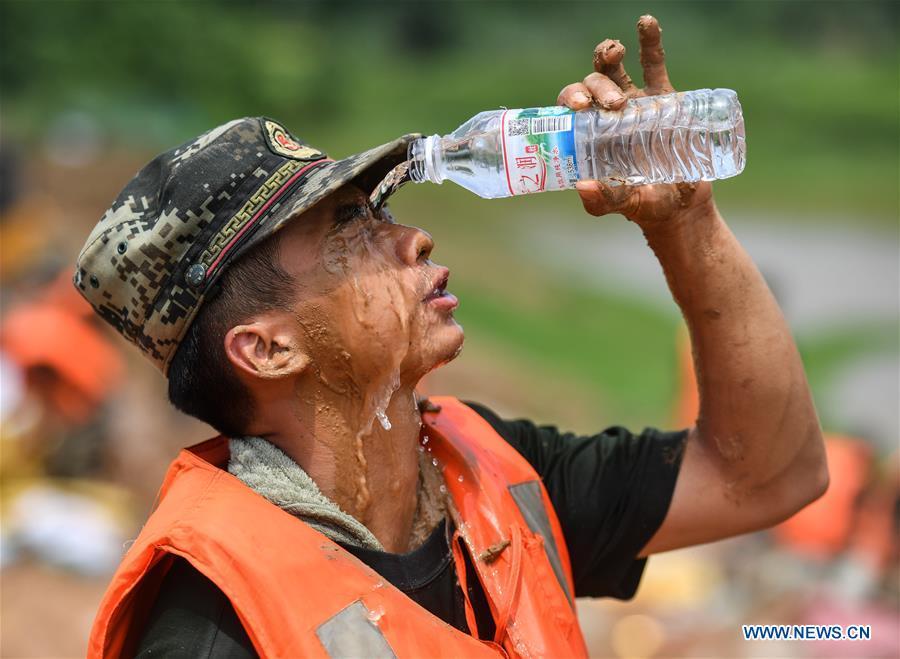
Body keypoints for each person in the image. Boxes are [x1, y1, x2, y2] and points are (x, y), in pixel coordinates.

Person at [78, 16, 827, 658]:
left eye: (379, 211)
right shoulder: (218, 621)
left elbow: (768, 473)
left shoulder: (492, 475)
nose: (415, 237)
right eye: (351, 231)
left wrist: (686, 224)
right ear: (269, 349)